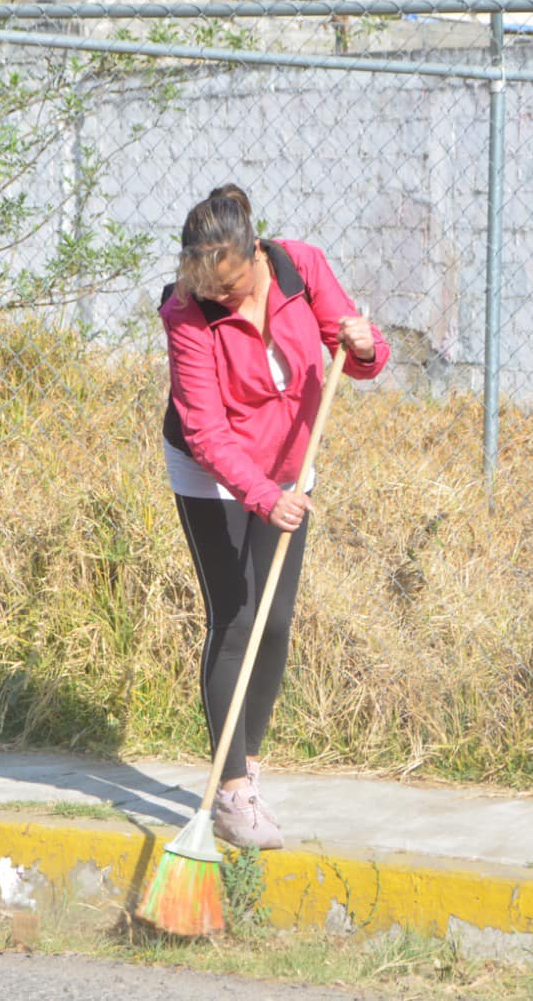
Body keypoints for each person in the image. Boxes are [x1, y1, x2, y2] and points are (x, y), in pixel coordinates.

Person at [159, 184, 389, 849]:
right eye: (210, 292)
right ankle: (230, 792)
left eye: (231, 287)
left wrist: (366, 343)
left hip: (291, 466)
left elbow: (359, 356)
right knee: (235, 619)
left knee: (277, 622)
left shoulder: (302, 268)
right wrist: (262, 495)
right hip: (216, 478)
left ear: (255, 252)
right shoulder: (186, 314)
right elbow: (205, 431)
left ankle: (249, 767)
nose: (223, 301)